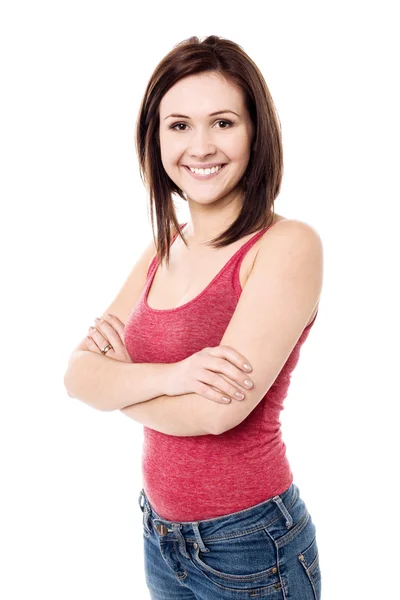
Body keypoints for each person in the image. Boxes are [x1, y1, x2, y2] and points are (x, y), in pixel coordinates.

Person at [64, 35, 323, 599]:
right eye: (179, 125)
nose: (200, 146)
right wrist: (173, 376)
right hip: (160, 537)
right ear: (155, 139)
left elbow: (214, 413)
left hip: (251, 545)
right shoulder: (163, 248)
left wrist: (115, 388)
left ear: (256, 132)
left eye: (223, 122)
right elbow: (76, 376)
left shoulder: (286, 246)